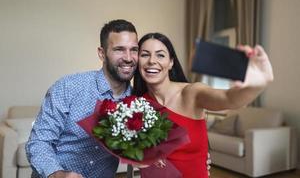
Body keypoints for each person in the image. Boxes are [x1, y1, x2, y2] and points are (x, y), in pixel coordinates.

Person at [133, 32, 274, 178]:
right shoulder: (136, 105)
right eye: (145, 55)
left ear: (171, 62)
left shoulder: (192, 93)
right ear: (138, 62)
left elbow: (228, 98)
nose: (152, 61)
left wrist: (256, 85)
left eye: (160, 55)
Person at [26, 19, 139, 178]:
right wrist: (57, 174)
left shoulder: (138, 104)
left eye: (134, 50)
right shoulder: (68, 87)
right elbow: (39, 143)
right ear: (102, 53)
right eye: (119, 49)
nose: (128, 58)